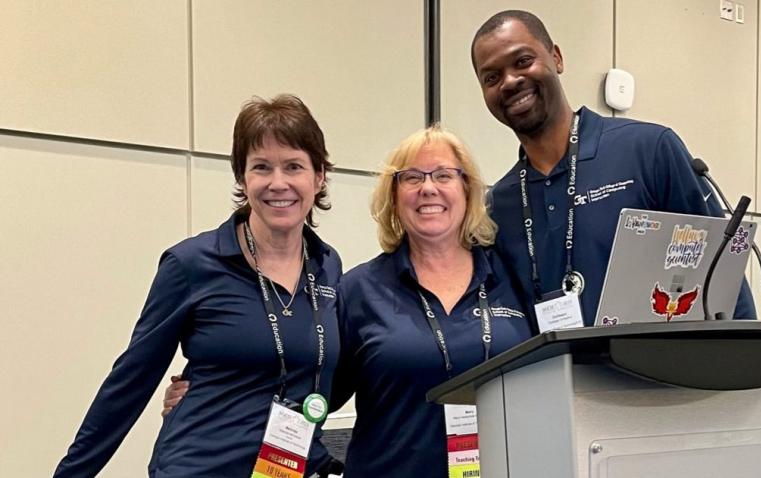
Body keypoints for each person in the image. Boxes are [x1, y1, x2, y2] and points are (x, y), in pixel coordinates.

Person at [54, 94, 343, 477]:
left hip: (286, 469)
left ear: (318, 176)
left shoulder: (326, 266)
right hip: (199, 467)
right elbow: (130, 382)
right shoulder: (192, 264)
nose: (278, 183)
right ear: (243, 177)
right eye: (261, 167)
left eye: (293, 166)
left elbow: (323, 372)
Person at [470, 10, 756, 328]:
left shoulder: (649, 150)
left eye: (522, 61)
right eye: (492, 77)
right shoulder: (499, 205)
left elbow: (722, 279)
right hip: (554, 376)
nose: (510, 81)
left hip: (658, 374)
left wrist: (746, 370)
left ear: (556, 58)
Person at [331, 125, 533, 477]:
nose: (428, 188)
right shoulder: (358, 290)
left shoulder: (514, 279)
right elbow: (316, 395)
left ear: (467, 189)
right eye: (411, 178)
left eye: (443, 175)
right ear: (393, 196)